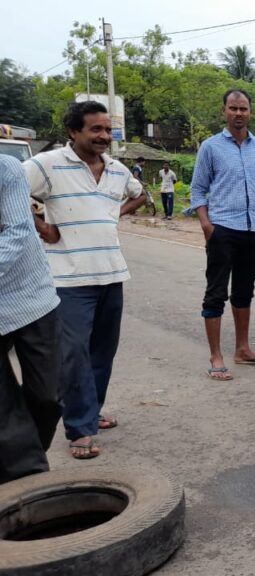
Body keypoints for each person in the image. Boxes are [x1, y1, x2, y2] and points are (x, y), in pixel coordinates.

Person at [24, 100, 148, 459]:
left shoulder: (117, 170)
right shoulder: (47, 165)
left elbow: (140, 196)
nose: (104, 136)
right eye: (95, 129)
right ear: (73, 131)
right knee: (74, 355)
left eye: (108, 130)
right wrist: (42, 225)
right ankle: (79, 428)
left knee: (102, 352)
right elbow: (7, 190)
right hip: (68, 279)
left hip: (111, 275)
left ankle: (90, 411)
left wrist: (113, 214)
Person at [190, 89, 255, 381]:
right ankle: (216, 356)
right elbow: (198, 189)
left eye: (243, 109)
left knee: (244, 292)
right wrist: (206, 225)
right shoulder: (211, 147)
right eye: (233, 108)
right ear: (224, 111)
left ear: (250, 112)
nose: (238, 113)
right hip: (222, 229)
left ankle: (243, 349)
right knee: (216, 292)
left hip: (254, 230)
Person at [0, 155, 62, 481]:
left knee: (48, 397)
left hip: (31, 300)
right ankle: (29, 481)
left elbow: (19, 231)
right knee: (3, 414)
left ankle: (24, 458)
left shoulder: (5, 168)